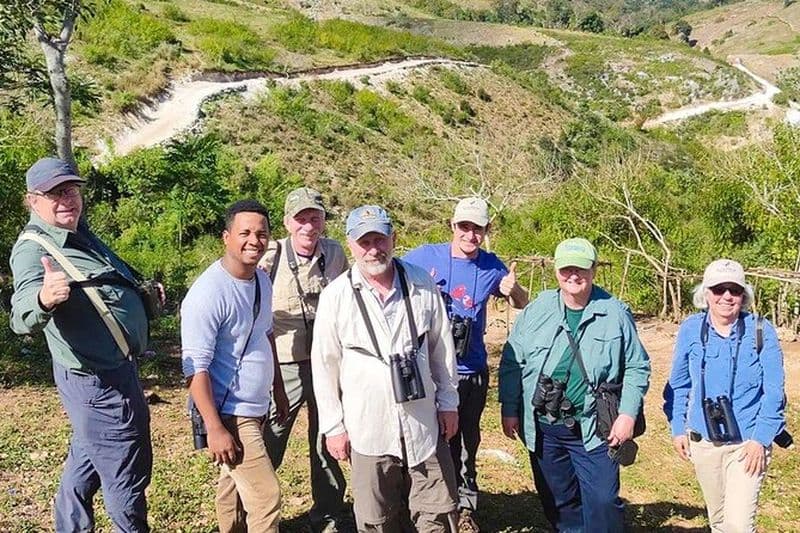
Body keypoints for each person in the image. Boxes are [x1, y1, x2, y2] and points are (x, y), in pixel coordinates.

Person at [9, 157, 156, 532]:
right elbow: (21, 315)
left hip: (113, 371)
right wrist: (43, 299)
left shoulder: (78, 234)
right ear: (32, 200)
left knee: (88, 456)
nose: (67, 199)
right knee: (126, 472)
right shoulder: (32, 249)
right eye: (55, 193)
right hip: (98, 382)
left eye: (71, 190)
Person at [311, 205, 460, 531]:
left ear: (394, 238)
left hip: (423, 424)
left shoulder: (421, 283)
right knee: (377, 520)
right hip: (368, 427)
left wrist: (449, 403)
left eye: (380, 239)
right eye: (365, 242)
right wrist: (333, 426)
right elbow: (324, 366)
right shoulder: (336, 296)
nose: (373, 249)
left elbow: (441, 349)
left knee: (437, 513)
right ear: (350, 244)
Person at [498, 237, 650, 532]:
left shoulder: (615, 313)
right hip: (544, 427)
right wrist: (510, 406)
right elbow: (512, 360)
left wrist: (628, 413)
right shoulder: (537, 309)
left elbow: (636, 365)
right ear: (556, 271)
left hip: (592, 429)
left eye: (581, 269)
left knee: (603, 502)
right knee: (558, 502)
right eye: (566, 269)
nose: (573, 276)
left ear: (593, 270)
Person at [403, 196, 528, 531]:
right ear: (452, 226)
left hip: (470, 371)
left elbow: (522, 301)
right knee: (423, 439)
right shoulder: (424, 256)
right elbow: (387, 273)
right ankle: (423, 504)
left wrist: (513, 290)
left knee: (465, 442)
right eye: (464, 226)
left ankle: (465, 508)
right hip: (427, 369)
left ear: (487, 231)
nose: (470, 234)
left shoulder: (491, 266)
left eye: (478, 228)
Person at [181, 199, 289, 533]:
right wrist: (215, 428)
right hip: (230, 411)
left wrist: (279, 388)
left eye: (261, 233)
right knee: (266, 498)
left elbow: (265, 333)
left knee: (233, 490)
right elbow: (194, 369)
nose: (254, 240)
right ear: (226, 237)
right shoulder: (208, 293)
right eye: (244, 233)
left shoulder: (261, 281)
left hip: (255, 406)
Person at [664, 259, 786, 533]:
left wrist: (761, 438)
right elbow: (679, 384)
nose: (727, 296)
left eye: (734, 289)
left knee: (739, 526)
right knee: (719, 521)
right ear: (706, 293)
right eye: (719, 289)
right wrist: (678, 428)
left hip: (748, 444)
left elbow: (774, 391)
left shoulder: (760, 330)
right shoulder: (691, 329)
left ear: (744, 295)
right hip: (704, 443)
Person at [254, 187, 349, 532]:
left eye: (315, 218)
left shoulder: (336, 254)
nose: (308, 226)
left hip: (327, 363)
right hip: (284, 366)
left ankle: (328, 516)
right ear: (287, 222)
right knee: (272, 437)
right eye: (301, 218)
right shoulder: (270, 254)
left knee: (328, 438)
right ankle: (255, 510)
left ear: (323, 221)